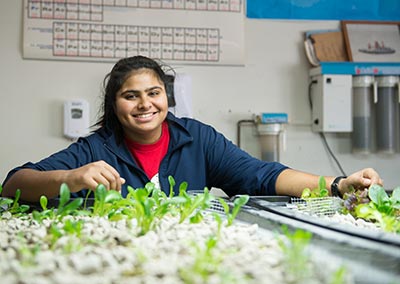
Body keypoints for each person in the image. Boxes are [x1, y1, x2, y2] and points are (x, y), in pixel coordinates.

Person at [1, 56, 383, 203]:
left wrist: (337, 184)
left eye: (153, 93)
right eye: (130, 96)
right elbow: (14, 183)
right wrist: (73, 176)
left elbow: (261, 175)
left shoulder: (197, 139)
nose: (145, 104)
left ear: (166, 97)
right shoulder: (95, 149)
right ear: (114, 107)